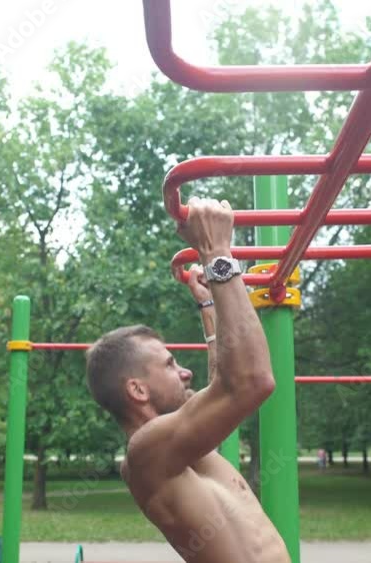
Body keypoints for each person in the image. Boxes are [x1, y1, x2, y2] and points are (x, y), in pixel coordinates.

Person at [85, 197, 290, 563]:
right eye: (169, 365)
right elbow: (251, 381)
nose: (185, 371)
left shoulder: (178, 448)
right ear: (137, 390)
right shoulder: (146, 454)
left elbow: (220, 389)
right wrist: (217, 253)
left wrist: (210, 305)